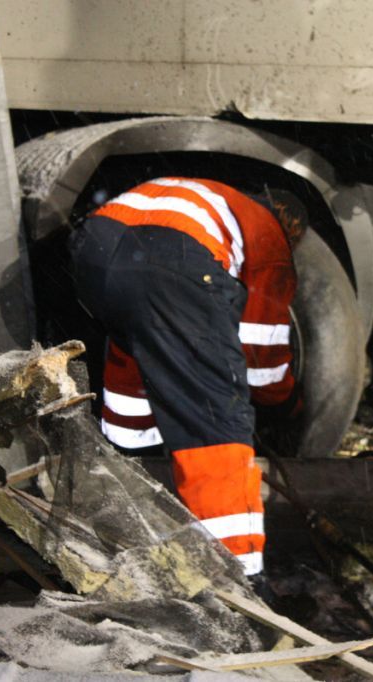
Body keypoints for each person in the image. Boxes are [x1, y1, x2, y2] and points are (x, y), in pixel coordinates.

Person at [68, 177, 301, 577]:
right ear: (290, 224)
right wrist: (286, 403)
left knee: (135, 360)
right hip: (169, 260)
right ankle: (236, 579)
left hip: (94, 250)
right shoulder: (268, 230)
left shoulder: (211, 195)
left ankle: (127, 493)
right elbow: (261, 355)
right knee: (215, 420)